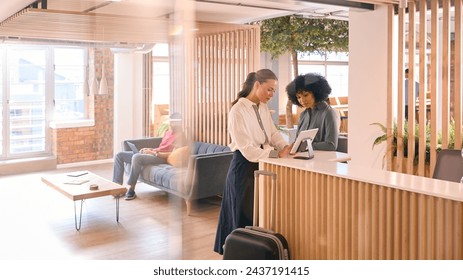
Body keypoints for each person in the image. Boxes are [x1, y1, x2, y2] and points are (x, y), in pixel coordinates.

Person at [213, 69, 292, 255]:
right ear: (257, 85)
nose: (272, 95)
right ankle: (236, 255)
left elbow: (272, 133)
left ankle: (251, 255)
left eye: (274, 91)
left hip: (261, 165)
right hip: (243, 167)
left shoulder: (262, 108)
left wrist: (284, 147)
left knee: (256, 213)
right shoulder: (238, 110)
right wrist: (275, 154)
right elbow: (247, 149)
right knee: (242, 213)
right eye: (269, 90)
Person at [112, 113, 186, 200]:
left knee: (137, 157)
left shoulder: (181, 137)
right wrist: (149, 149)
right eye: (170, 122)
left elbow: (172, 154)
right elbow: (162, 146)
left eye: (173, 123)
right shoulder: (168, 132)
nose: (170, 124)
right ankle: (117, 188)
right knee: (119, 155)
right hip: (154, 152)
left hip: (161, 158)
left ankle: (131, 189)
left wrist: (153, 153)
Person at [286, 73, 339, 151]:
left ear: (316, 93)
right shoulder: (303, 115)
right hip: (302, 159)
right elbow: (298, 141)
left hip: (321, 161)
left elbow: (331, 145)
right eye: (298, 97)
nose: (302, 100)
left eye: (306, 95)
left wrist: (306, 146)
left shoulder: (328, 113)